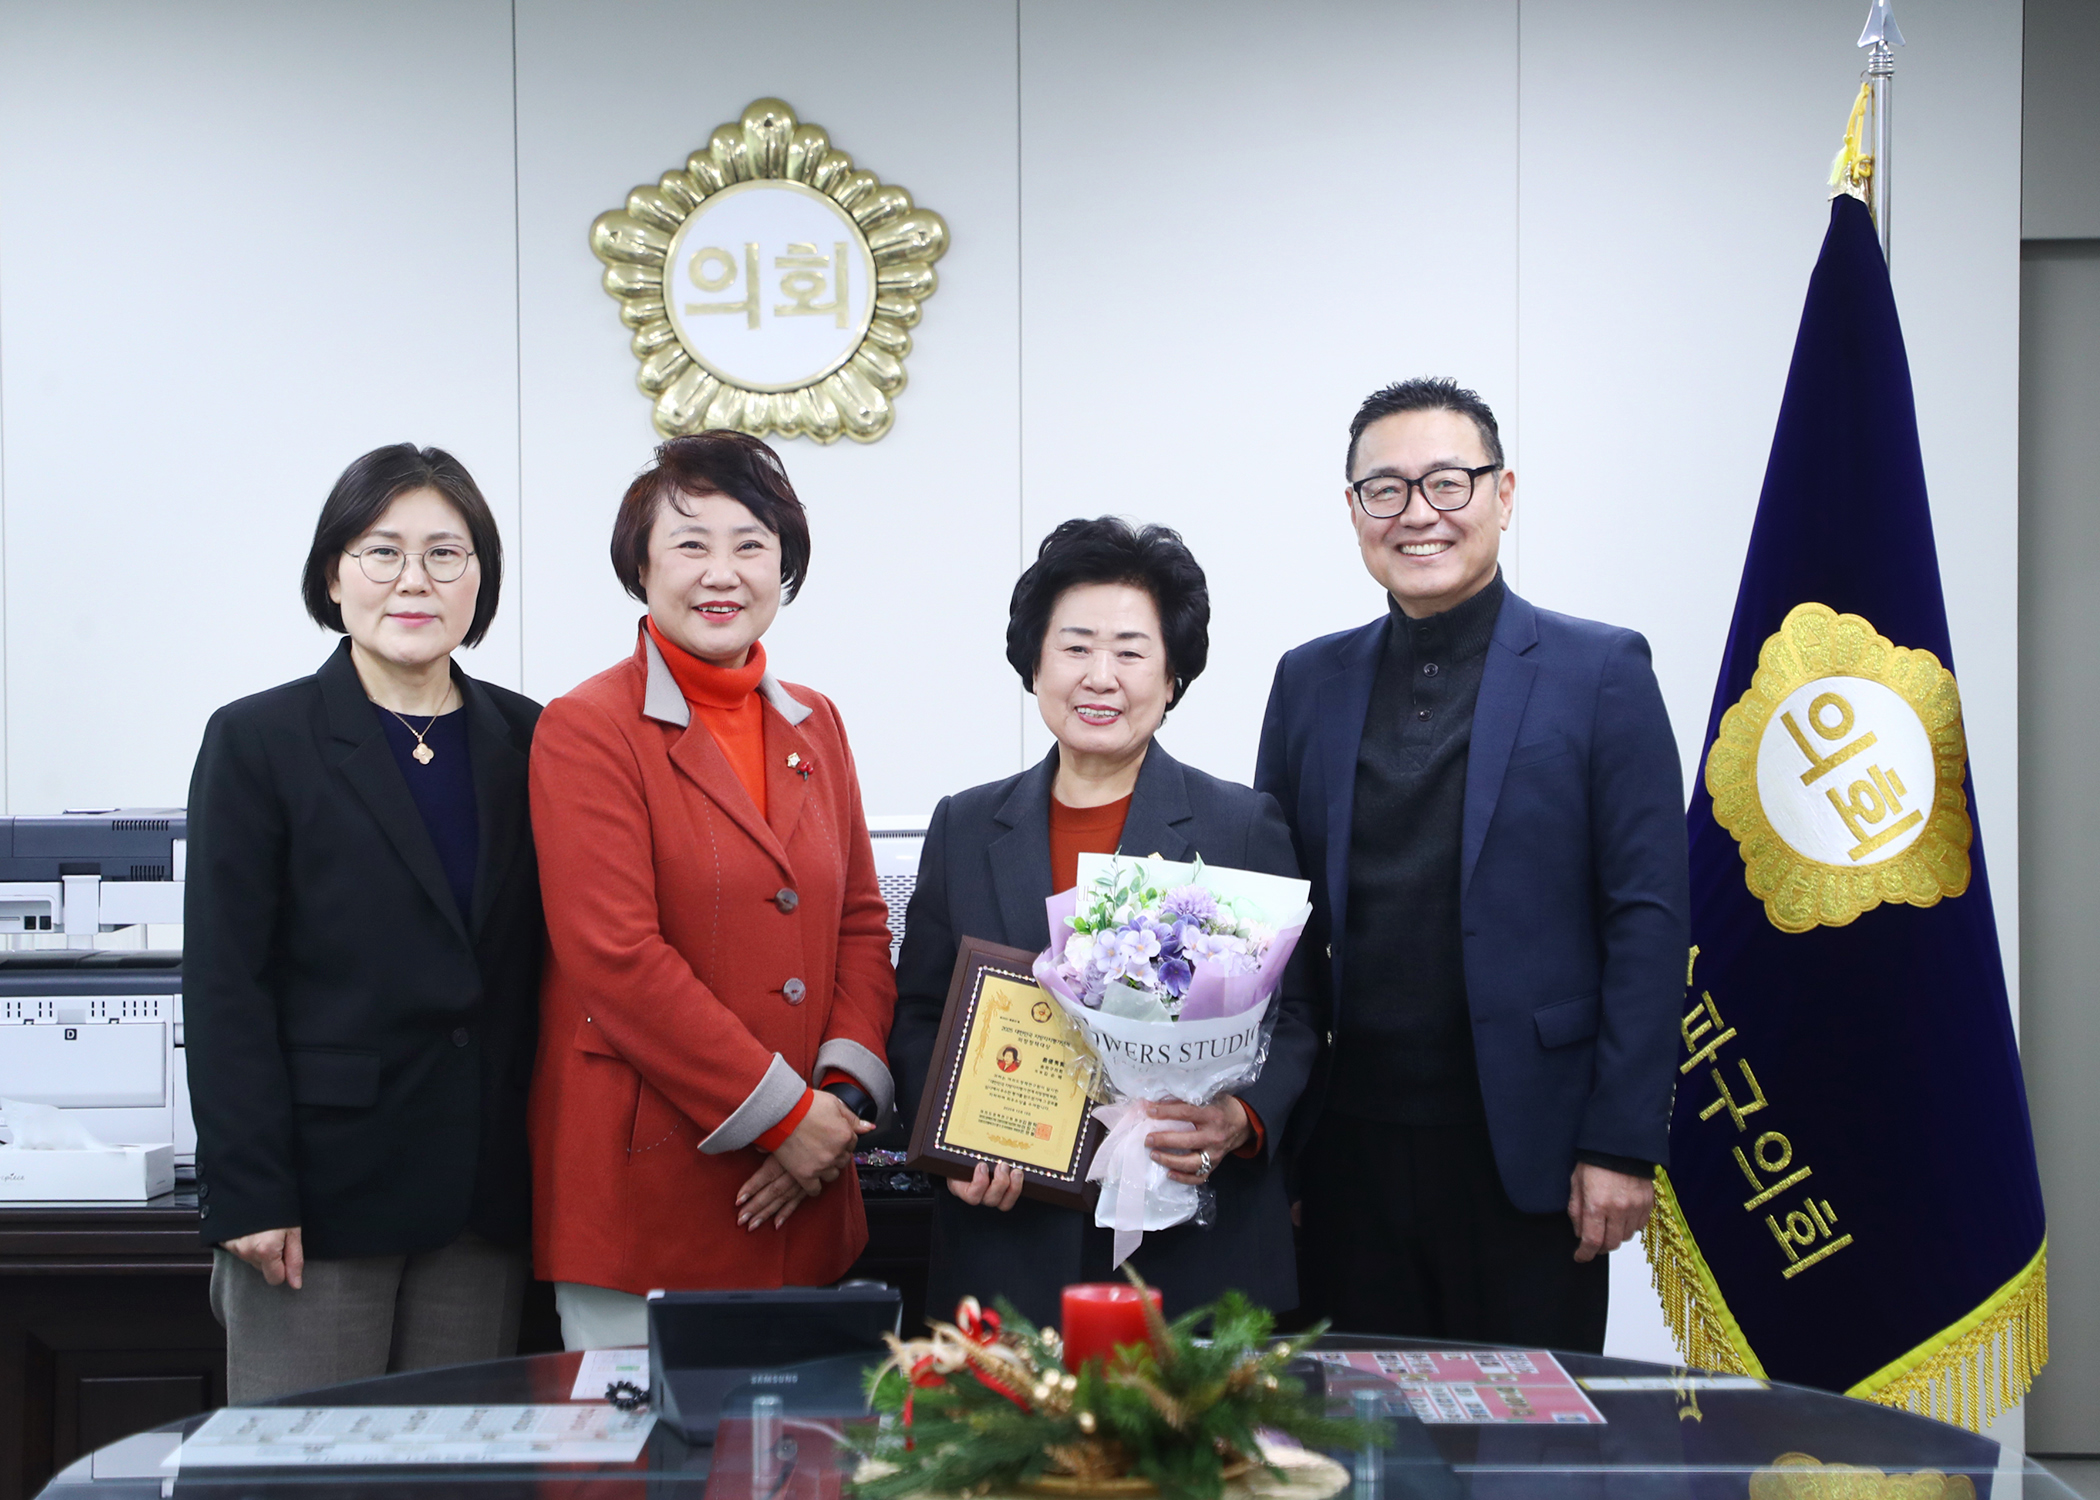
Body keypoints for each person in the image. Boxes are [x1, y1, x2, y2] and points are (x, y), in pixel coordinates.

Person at [1256, 378, 1690, 1351]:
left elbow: (1649, 920)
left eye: (1448, 483)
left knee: (1529, 1452)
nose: (1418, 514)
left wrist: (1621, 1141)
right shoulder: (1307, 680)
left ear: (1503, 494)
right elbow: (1271, 931)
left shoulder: (1601, 671)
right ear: (1354, 509)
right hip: (1343, 1155)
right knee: (1351, 1448)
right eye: (1387, 489)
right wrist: (1269, 1149)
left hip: (1531, 1157)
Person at [890, 518, 1315, 1327]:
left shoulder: (1242, 826)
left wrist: (1240, 1119)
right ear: (1035, 664)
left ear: (1172, 677)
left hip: (1194, 1246)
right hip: (1009, 1241)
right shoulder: (966, 825)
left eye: (1129, 651)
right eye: (1076, 647)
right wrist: (950, 1136)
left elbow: (1298, 1019)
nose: (1100, 676)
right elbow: (917, 1015)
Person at [185, 444, 543, 1403]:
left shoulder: (533, 740)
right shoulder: (259, 740)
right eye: (382, 552)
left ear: (480, 580)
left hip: (481, 1194)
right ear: (333, 573)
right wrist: (250, 1190)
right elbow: (226, 983)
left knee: (454, 1472)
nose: (414, 581)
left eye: (446, 554)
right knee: (305, 1473)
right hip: (318, 1197)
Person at [528, 433, 895, 1350]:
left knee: (804, 1475)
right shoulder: (587, 729)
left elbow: (859, 921)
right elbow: (616, 960)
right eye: (690, 543)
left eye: (751, 543)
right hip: (650, 1194)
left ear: (785, 565)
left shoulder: (819, 721)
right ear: (641, 565)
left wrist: (837, 1104)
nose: (721, 571)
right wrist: (784, 1121)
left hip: (807, 1190)